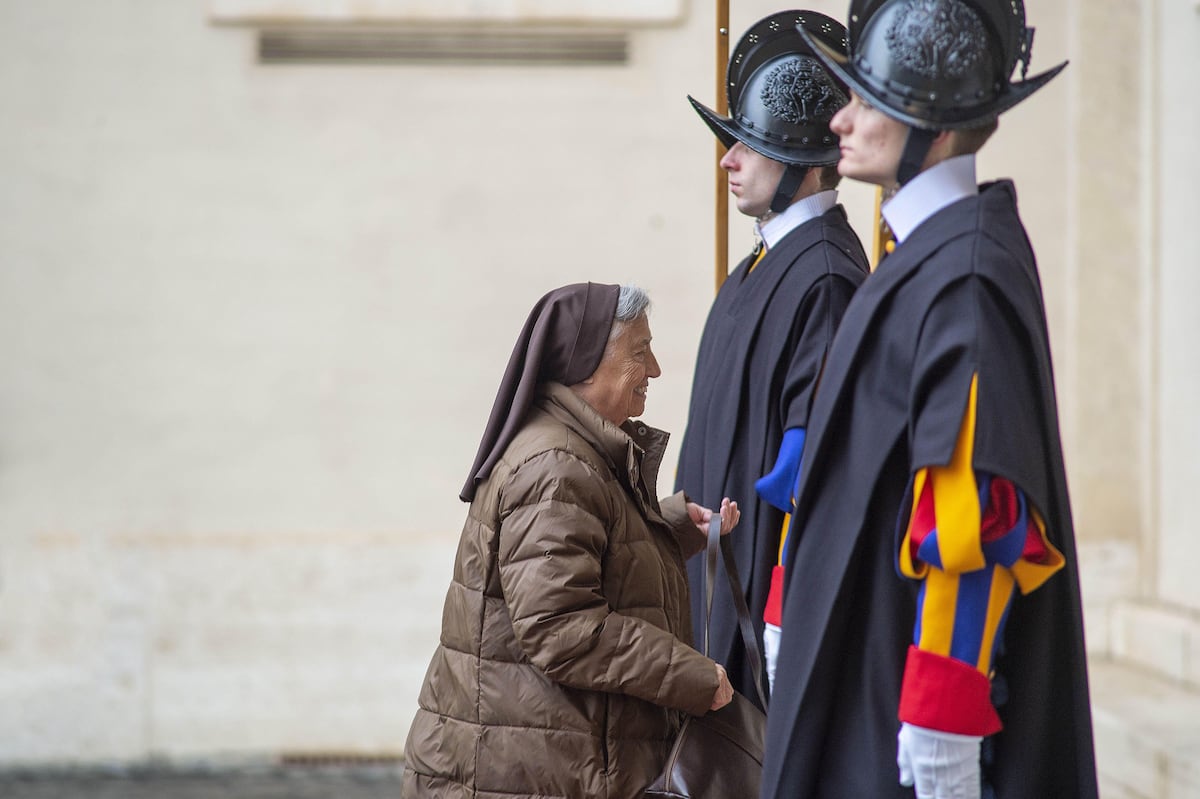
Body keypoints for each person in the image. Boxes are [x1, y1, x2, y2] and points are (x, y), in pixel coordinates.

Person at [761, 1, 1099, 797]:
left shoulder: (966, 275)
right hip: (866, 663)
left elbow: (970, 512)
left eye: (867, 100)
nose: (841, 119)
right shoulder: (927, 258)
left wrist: (943, 717)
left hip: (903, 705)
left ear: (934, 128)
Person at [401, 282, 740, 799]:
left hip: (538, 758)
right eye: (640, 352)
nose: (655, 370)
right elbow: (560, 626)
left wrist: (671, 528)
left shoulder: (573, 450)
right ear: (585, 363)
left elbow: (587, 557)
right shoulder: (556, 467)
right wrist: (691, 677)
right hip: (520, 769)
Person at [676, 9, 871, 704]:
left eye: (747, 144)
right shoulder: (762, 265)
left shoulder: (824, 276)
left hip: (758, 629)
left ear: (797, 159)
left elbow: (814, 479)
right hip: (711, 606)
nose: (727, 160)